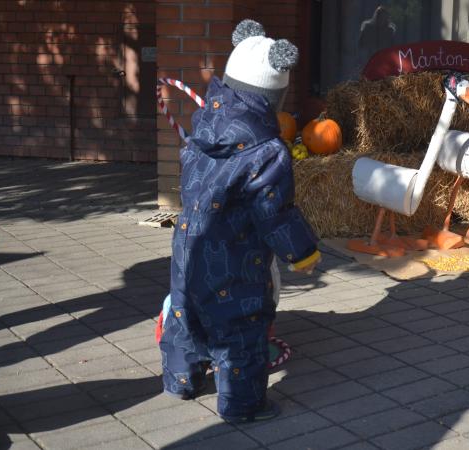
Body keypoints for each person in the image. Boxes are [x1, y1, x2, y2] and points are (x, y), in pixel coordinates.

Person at [158, 19, 321, 423]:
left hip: (188, 246)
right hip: (235, 258)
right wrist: (302, 253)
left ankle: (181, 380)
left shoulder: (202, 128)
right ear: (273, 98)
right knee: (242, 330)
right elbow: (275, 212)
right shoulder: (268, 153)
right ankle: (242, 404)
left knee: (184, 313)